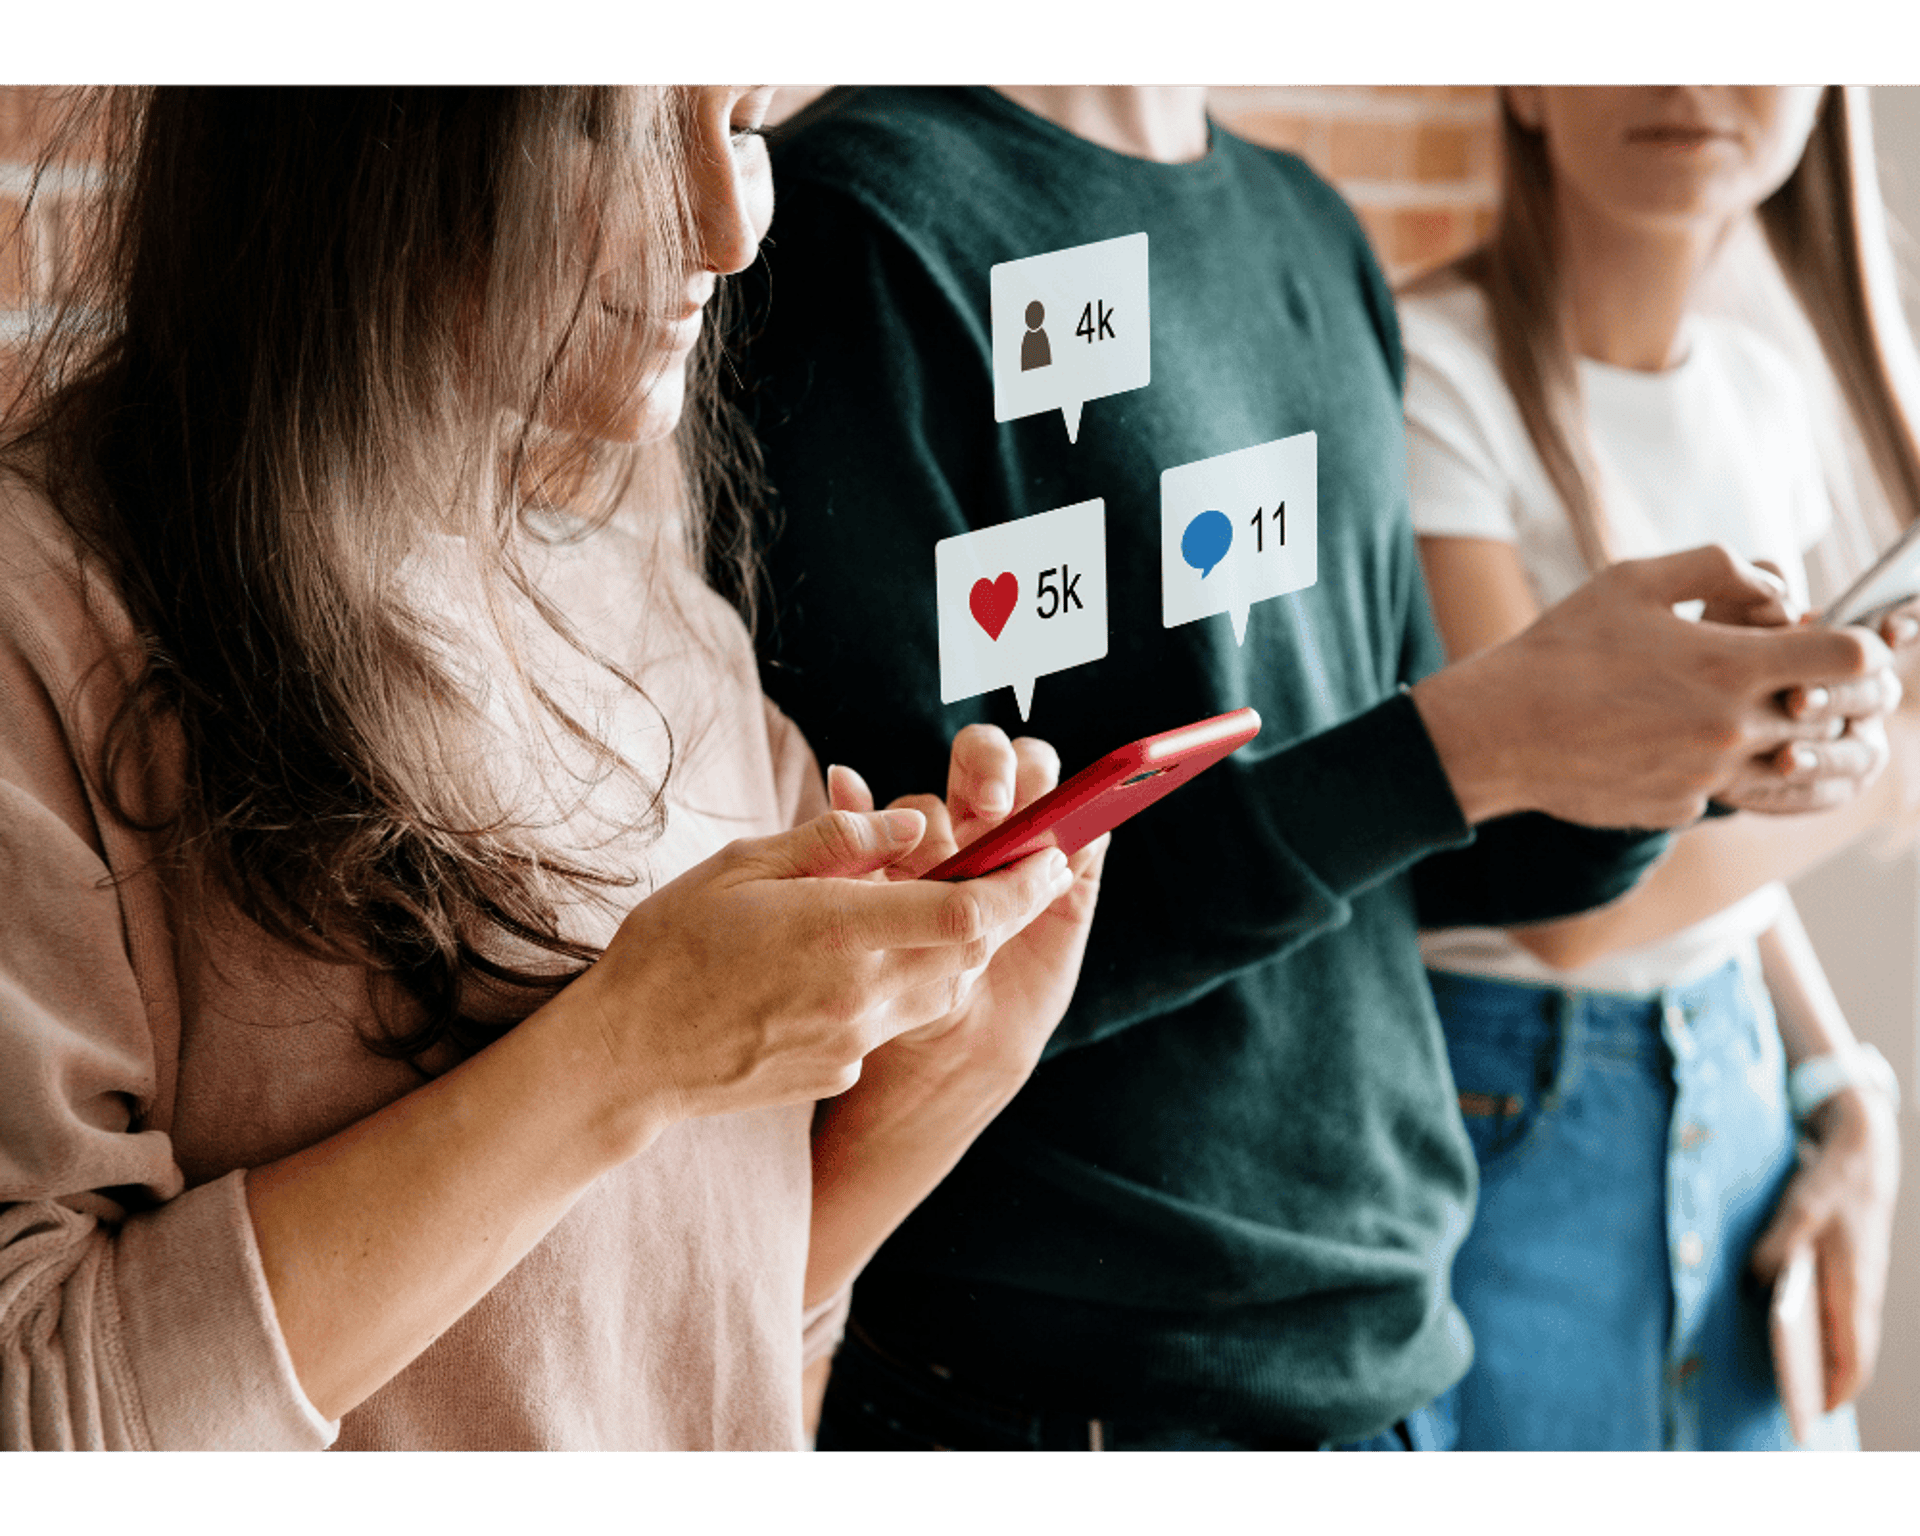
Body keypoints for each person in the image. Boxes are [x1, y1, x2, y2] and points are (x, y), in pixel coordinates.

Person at [739, 84, 1903, 1453]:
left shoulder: (1309, 229)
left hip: (1385, 1357)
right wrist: (1475, 742)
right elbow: (910, 956)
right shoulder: (863, 221)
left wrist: (1667, 758)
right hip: (1067, 1401)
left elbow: (1415, 831)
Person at [0, 84, 1109, 1453]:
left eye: (745, 121)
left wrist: (940, 1090)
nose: (727, 230)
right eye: (622, 122)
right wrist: (627, 1050)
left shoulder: (666, 617)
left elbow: (698, 1351)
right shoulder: (43, 619)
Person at [1401, 84, 1910, 1451]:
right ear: (1522, 75)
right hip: (1503, 1101)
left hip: (1738, 1073)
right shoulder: (1428, 371)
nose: (1686, 68)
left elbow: (1717, 852)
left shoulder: (1764, 393)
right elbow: (1566, 903)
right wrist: (1887, 765)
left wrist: (1845, 1088)